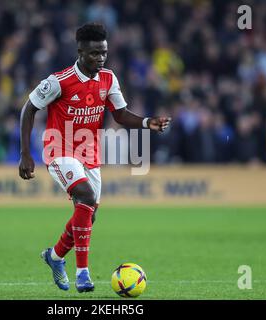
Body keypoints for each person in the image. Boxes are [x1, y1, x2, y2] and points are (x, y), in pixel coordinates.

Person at [18, 23, 171, 293]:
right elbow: (28, 109)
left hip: (89, 153)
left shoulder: (109, 79)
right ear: (80, 51)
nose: (100, 58)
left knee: (88, 217)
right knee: (86, 198)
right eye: (94, 54)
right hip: (59, 149)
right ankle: (83, 274)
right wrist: (25, 154)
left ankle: (54, 257)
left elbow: (121, 115)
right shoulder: (59, 81)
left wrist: (148, 122)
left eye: (104, 53)